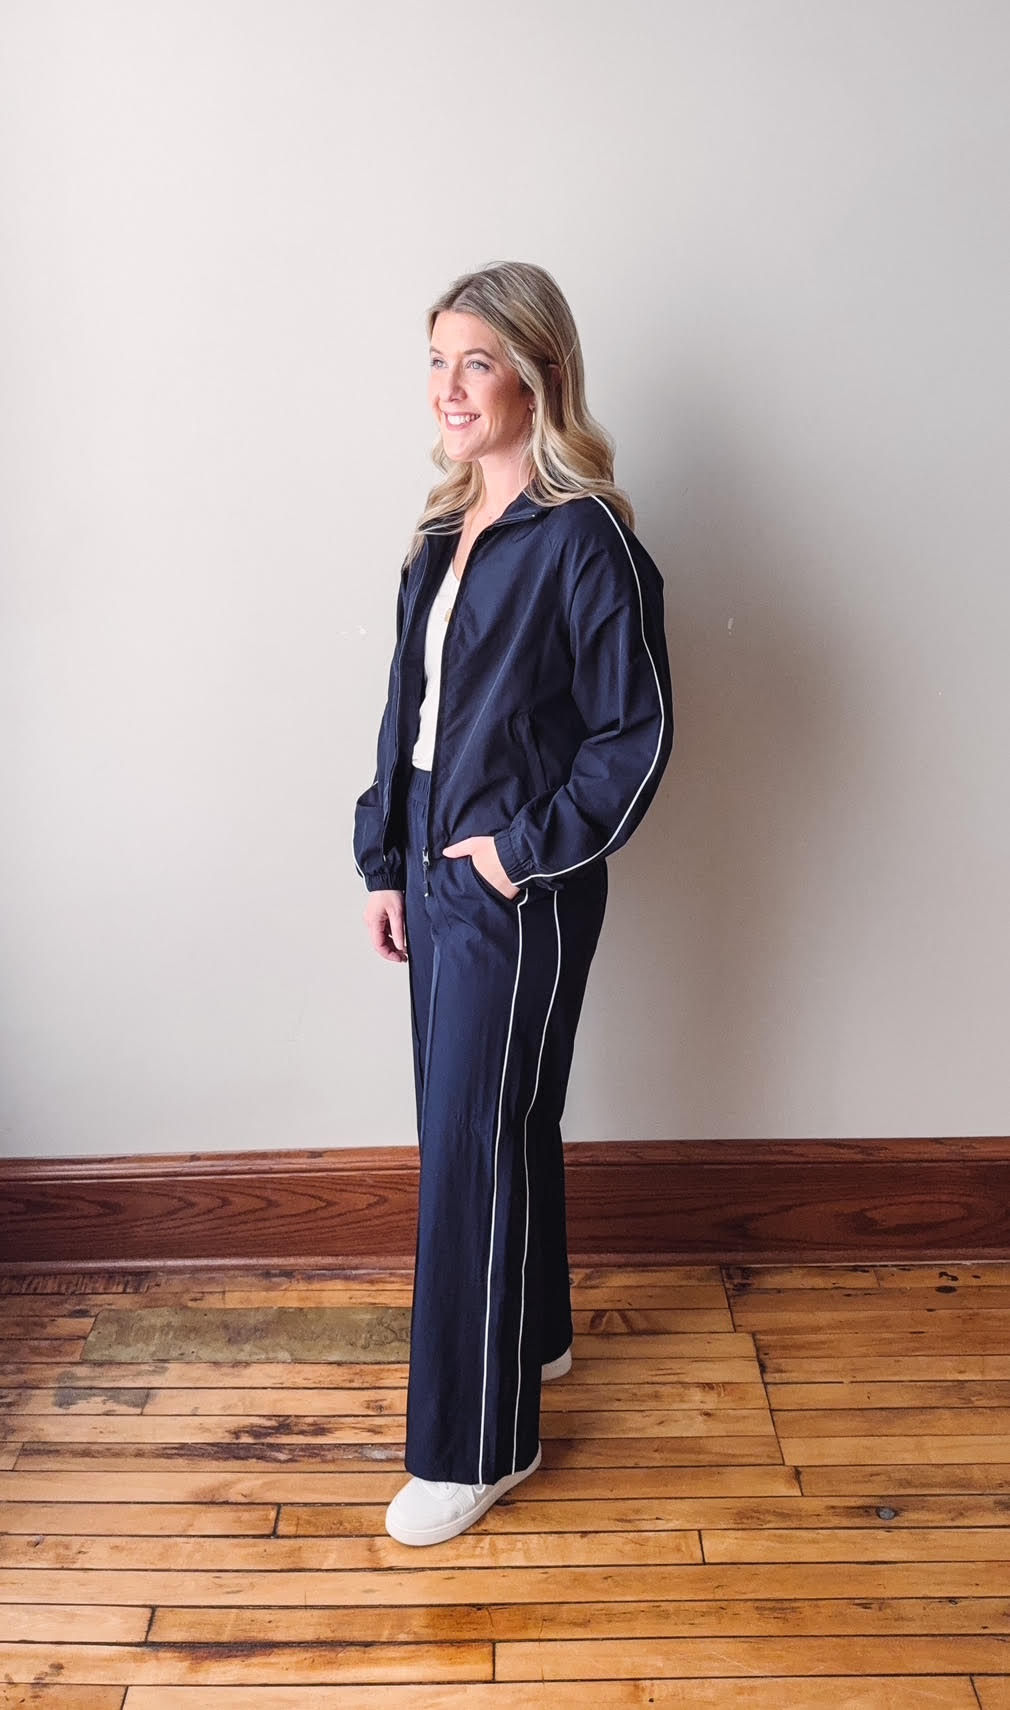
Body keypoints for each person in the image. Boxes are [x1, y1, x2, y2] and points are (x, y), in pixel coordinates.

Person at [353, 260, 674, 1546]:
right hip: (432, 865)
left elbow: (632, 735)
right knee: (491, 1123)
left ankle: (477, 1445)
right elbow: (408, 718)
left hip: (514, 884)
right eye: (436, 361)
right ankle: (531, 1337)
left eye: (475, 362)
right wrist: (385, 861)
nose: (448, 387)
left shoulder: (584, 539)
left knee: (471, 1144)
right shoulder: (440, 536)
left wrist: (516, 855)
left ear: (537, 378)